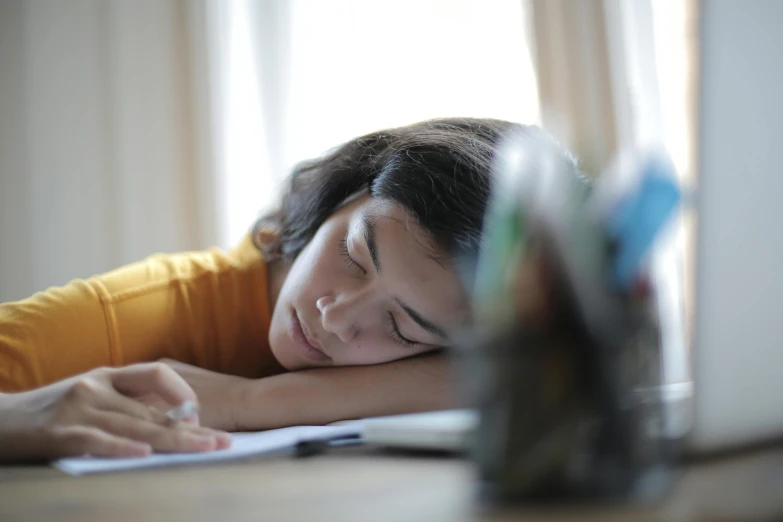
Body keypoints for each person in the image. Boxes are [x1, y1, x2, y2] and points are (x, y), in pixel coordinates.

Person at [0, 118, 580, 462]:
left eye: (401, 327)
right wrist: (20, 416)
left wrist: (248, 402)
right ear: (340, 198)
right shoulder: (132, 314)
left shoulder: (446, 355)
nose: (337, 317)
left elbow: (532, 370)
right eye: (354, 257)